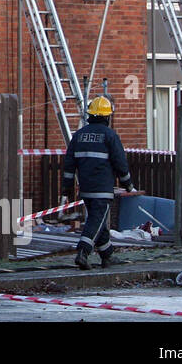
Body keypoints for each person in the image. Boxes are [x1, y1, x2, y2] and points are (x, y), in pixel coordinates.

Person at [62, 95, 134, 270]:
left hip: (86, 188)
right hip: (102, 188)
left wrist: (67, 188)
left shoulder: (78, 136)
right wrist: (128, 184)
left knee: (98, 220)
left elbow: (69, 164)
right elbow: (120, 163)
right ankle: (83, 252)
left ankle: (107, 255)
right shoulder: (110, 136)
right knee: (96, 220)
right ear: (107, 117)